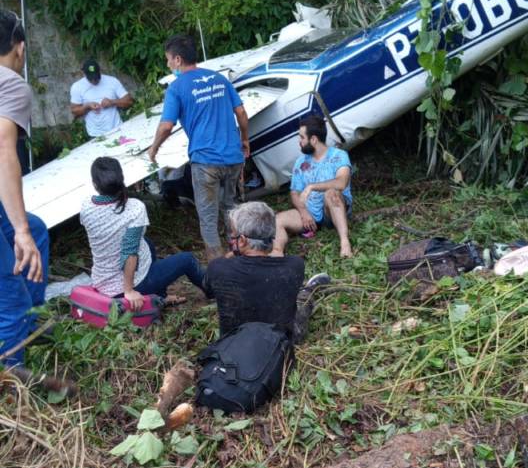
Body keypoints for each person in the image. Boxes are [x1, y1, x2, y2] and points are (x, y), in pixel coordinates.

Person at [148, 35, 250, 259]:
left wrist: (154, 148)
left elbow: (166, 126)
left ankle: (218, 270)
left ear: (177, 59)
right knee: (231, 208)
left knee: (208, 218)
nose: (168, 64)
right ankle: (241, 257)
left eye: (168, 60)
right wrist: (244, 139)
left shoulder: (176, 88)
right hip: (233, 157)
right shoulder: (220, 79)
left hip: (205, 162)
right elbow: (241, 112)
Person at [80, 156, 205, 311]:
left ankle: (160, 298)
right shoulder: (134, 208)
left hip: (103, 283)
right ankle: (215, 291)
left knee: (147, 243)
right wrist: (129, 291)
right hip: (126, 288)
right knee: (187, 260)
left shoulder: (86, 206)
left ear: (95, 184)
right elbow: (129, 253)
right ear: (121, 179)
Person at [0, 10, 49, 366]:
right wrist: (19, 232)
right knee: (10, 300)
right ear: (19, 48)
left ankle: (30, 323)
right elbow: (3, 150)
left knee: (37, 228)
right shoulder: (11, 83)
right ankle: (12, 380)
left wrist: (25, 229)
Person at [203, 202, 305, 339]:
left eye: (233, 233)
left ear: (242, 240)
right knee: (303, 300)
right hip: (279, 344)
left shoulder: (218, 269)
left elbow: (209, 291)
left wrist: (232, 253)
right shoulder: (294, 265)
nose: (231, 237)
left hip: (233, 345)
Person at [273, 114, 353, 258]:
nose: (299, 141)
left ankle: (345, 242)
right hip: (310, 215)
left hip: (333, 210)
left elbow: (341, 183)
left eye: (302, 137)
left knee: (331, 193)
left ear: (314, 139)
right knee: (277, 220)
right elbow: (294, 193)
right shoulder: (300, 162)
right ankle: (277, 253)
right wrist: (304, 212)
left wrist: (312, 186)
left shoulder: (339, 156)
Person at [70, 59, 133, 138]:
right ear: (84, 74)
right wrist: (87, 106)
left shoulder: (112, 81)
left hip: (118, 128)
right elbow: (74, 111)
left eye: (96, 77)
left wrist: (112, 102)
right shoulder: (77, 87)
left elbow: (129, 101)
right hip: (95, 135)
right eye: (91, 78)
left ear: (100, 71)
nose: (94, 80)